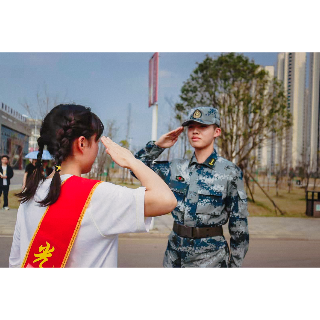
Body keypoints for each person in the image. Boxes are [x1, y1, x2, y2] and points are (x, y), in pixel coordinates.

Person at [9, 104, 177, 268]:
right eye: (96, 141)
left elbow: (16, 261)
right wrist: (131, 161)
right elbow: (166, 200)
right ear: (82, 143)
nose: (98, 149)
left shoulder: (31, 193)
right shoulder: (97, 195)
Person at [134, 106, 249, 268]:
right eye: (191, 127)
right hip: (174, 255)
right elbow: (136, 169)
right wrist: (158, 146)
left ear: (217, 132)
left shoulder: (230, 172)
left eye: (202, 126)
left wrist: (234, 265)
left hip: (211, 258)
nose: (195, 131)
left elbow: (239, 227)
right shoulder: (175, 168)